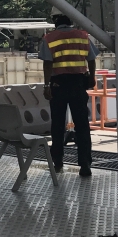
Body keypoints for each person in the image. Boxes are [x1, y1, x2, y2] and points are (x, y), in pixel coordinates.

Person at [39, 13, 96, 177]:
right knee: (82, 125)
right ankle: (85, 164)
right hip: (78, 84)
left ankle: (57, 161)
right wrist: (92, 77)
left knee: (57, 124)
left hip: (58, 85)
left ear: (56, 24)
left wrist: (46, 86)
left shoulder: (49, 38)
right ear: (70, 23)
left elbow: (48, 64)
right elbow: (91, 59)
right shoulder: (83, 36)